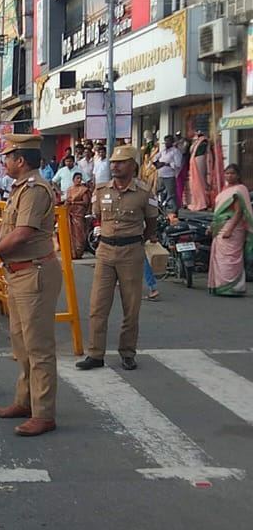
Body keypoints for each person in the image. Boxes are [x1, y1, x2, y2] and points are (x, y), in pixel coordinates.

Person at [0, 134, 62, 437]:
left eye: (8, 158)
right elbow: (10, 224)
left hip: (34, 272)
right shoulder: (20, 189)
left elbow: (23, 233)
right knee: (22, 343)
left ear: (20, 161)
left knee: (38, 346)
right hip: (19, 273)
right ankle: (25, 401)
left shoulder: (36, 189)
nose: (4, 163)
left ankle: (43, 413)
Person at [76, 145, 158, 372]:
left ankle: (127, 353)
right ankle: (95, 354)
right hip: (105, 252)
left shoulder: (144, 192)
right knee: (97, 306)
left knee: (130, 307)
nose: (114, 165)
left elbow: (152, 222)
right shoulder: (101, 190)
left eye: (121, 162)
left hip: (131, 251)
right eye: (113, 162)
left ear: (133, 166)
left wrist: (146, 238)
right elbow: (98, 217)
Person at [207, 164, 253, 296]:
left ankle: (233, 287)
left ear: (238, 175)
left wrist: (229, 230)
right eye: (227, 173)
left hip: (232, 226)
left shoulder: (239, 190)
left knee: (230, 257)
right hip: (220, 225)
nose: (229, 176)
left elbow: (238, 212)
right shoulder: (225, 190)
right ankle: (221, 286)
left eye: (232, 173)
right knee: (220, 257)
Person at [152, 134, 183, 212]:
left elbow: (178, 164)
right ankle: (162, 210)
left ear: (172, 142)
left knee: (171, 194)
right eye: (165, 141)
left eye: (168, 141)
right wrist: (158, 163)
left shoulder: (175, 151)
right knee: (160, 193)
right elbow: (155, 157)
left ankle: (174, 211)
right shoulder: (163, 150)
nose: (166, 143)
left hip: (169, 176)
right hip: (161, 175)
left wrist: (167, 164)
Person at [66, 172, 91, 259]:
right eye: (77, 178)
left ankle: (78, 252)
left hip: (79, 214)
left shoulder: (83, 189)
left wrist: (74, 202)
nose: (79, 180)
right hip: (70, 212)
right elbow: (68, 199)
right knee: (70, 232)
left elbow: (86, 202)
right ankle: (72, 253)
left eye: (80, 178)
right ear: (73, 180)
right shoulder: (70, 189)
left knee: (79, 233)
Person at [188, 130, 211, 211]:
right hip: (194, 161)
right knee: (194, 183)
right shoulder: (196, 141)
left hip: (200, 160)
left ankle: (202, 202)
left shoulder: (203, 141)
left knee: (200, 182)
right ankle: (197, 201)